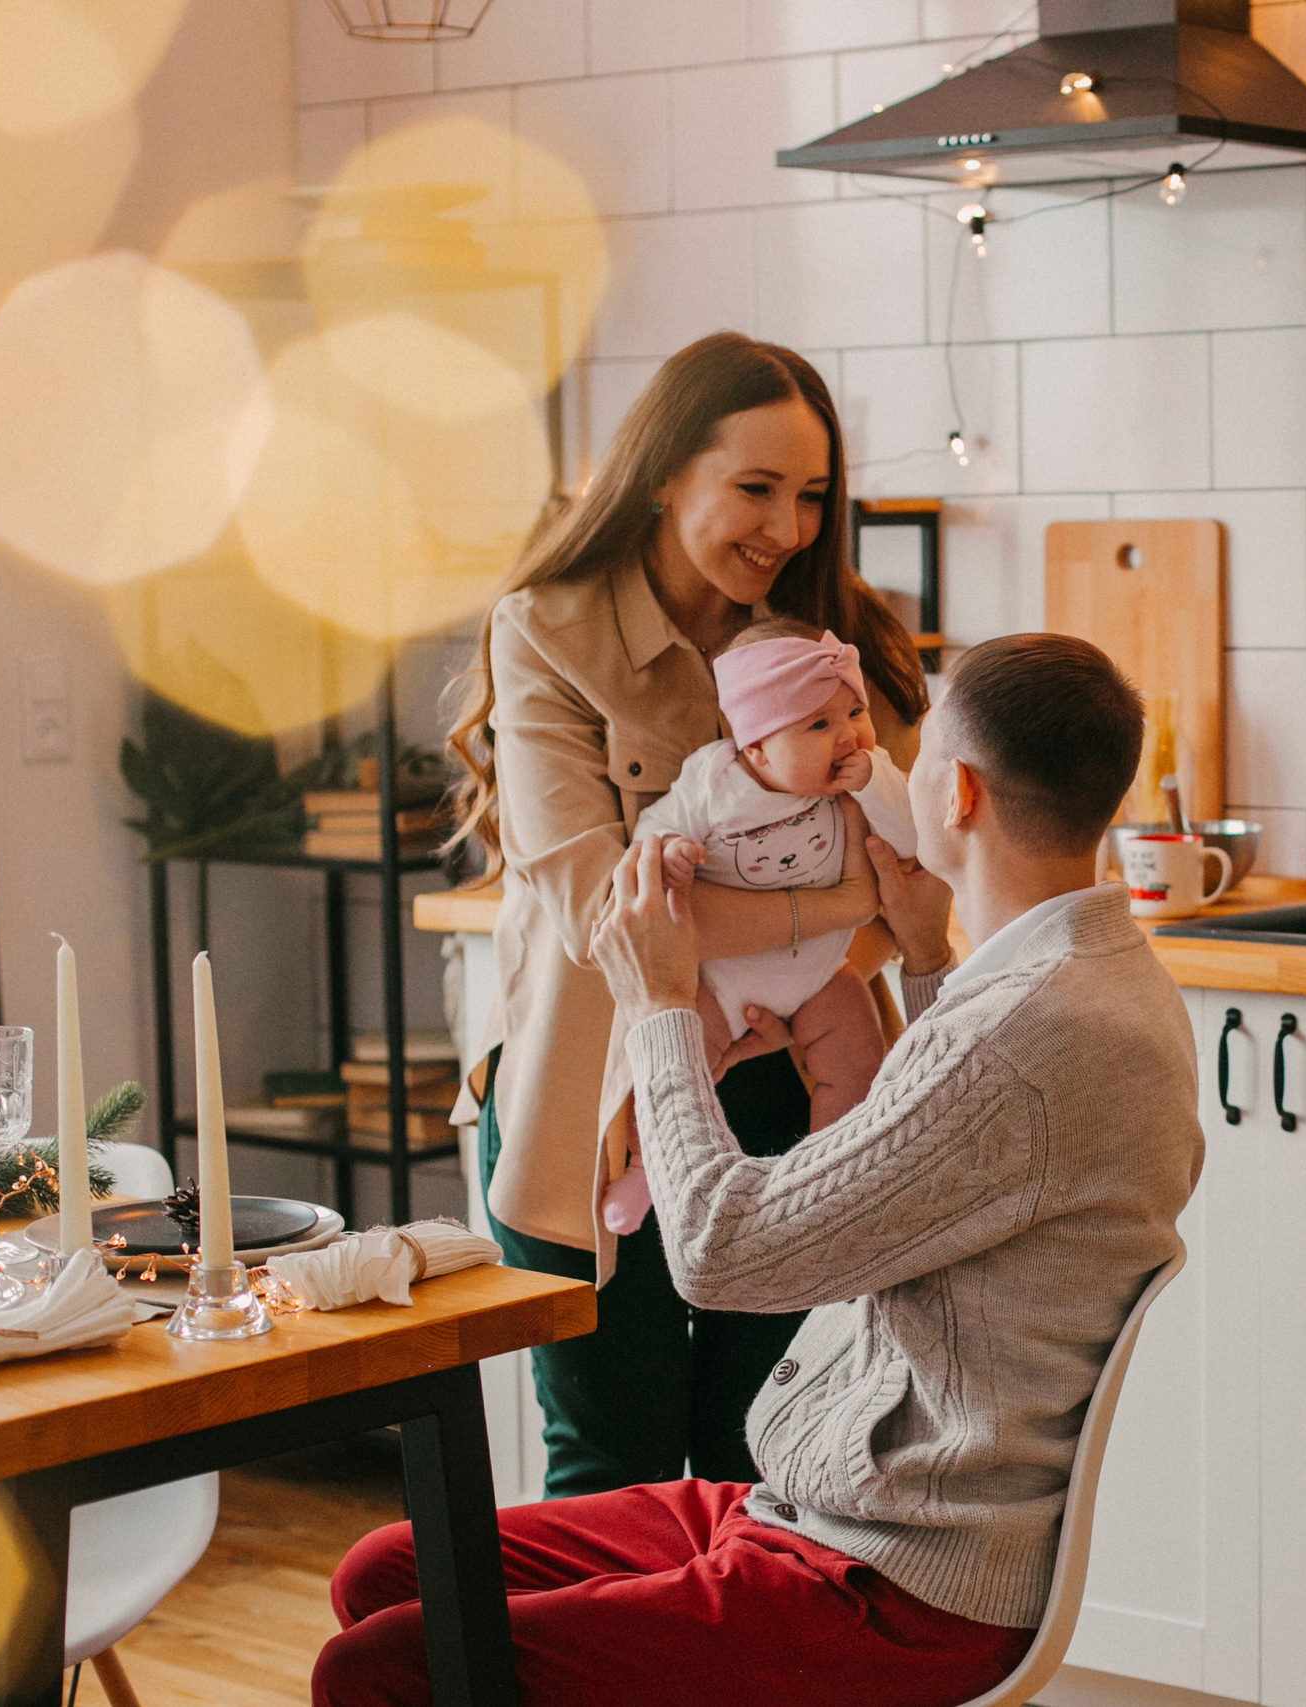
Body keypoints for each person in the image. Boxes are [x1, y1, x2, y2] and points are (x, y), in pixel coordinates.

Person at [317, 635, 1206, 1707]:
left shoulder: (1029, 1026)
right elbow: (967, 1163)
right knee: (388, 1570)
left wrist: (660, 1008)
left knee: (382, 1666)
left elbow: (719, 1253)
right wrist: (924, 959)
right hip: (823, 1501)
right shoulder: (1080, 971)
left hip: (890, 1578)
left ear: (956, 793)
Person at [443, 333, 930, 1497]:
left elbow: (924, 879)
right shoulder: (547, 630)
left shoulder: (842, 641)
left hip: (789, 1102)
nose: (788, 526)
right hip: (585, 1111)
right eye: (754, 487)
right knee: (608, 1474)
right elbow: (596, 912)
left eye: (810, 495)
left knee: (764, 1466)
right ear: (663, 473)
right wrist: (839, 907)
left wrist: (803, 947)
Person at [596, 619, 914, 1235]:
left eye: (854, 711)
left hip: (823, 975)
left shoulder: (866, 779)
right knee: (673, 1057)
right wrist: (667, 853)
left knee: (859, 1057)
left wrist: (877, 787)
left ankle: (830, 1172)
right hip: (722, 980)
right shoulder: (713, 782)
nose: (848, 736)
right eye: (818, 725)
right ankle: (644, 1167)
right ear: (756, 749)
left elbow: (909, 841)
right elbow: (648, 835)